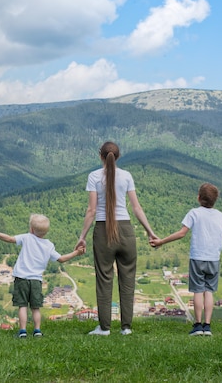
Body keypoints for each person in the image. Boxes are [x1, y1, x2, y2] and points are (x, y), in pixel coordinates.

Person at [77, 141, 158, 336]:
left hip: (104, 231)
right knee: (128, 278)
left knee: (104, 278)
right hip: (126, 230)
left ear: (100, 156)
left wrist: (82, 237)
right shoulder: (127, 176)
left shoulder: (94, 177)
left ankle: (104, 328)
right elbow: (136, 208)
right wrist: (149, 231)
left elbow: (92, 210)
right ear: (118, 156)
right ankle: (126, 327)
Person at [151, 182, 222, 336]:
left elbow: (182, 233)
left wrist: (161, 241)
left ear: (198, 197)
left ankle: (197, 325)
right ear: (215, 201)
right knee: (209, 291)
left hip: (197, 258)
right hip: (214, 258)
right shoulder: (220, 215)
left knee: (198, 290)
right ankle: (207, 326)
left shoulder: (194, 213)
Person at [0, 214, 85, 338]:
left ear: (31, 229)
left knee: (22, 305)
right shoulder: (49, 245)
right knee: (35, 307)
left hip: (21, 278)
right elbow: (61, 259)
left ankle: (22, 331)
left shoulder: (27, 238)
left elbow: (10, 239)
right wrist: (76, 252)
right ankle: (37, 330)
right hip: (36, 280)